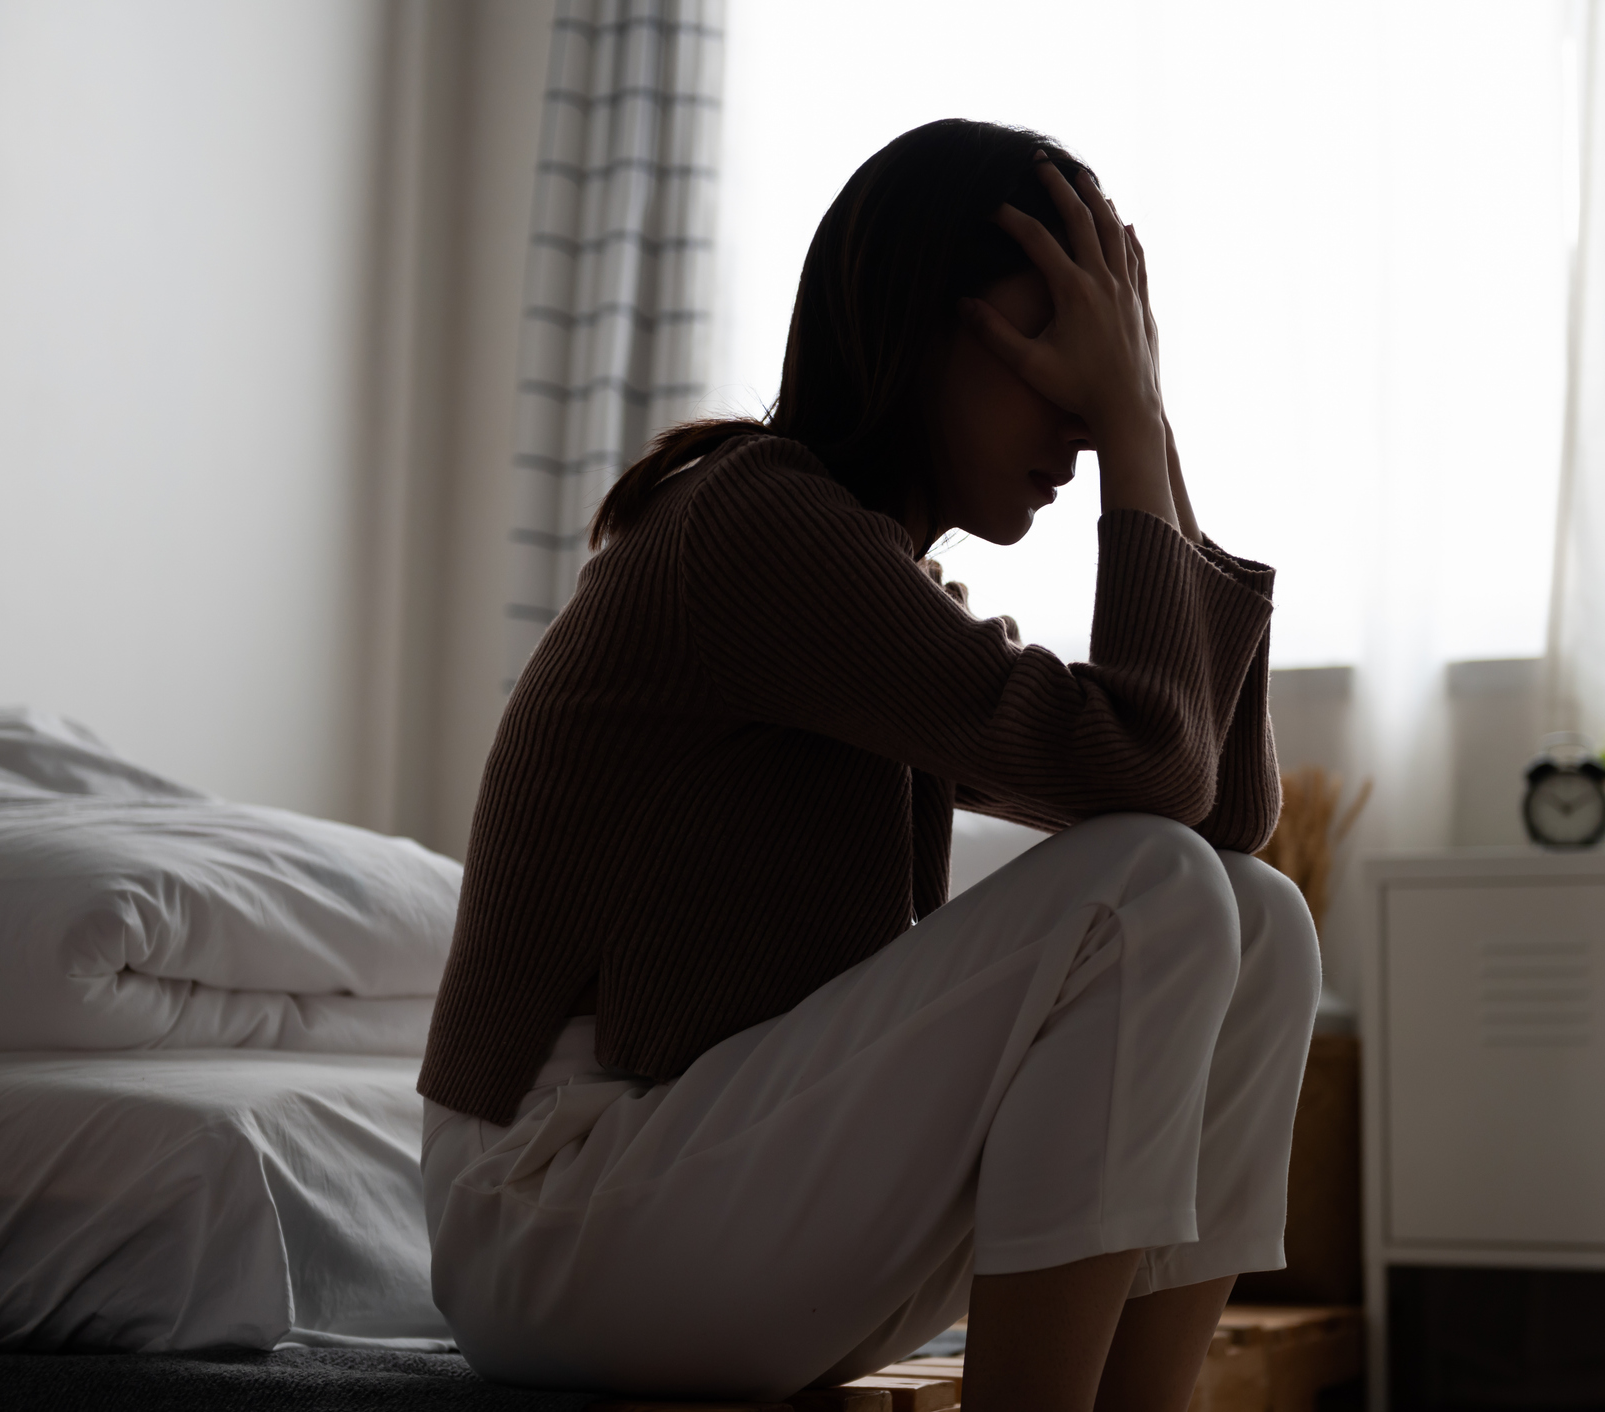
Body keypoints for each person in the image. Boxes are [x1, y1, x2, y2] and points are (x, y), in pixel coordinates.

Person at [417, 119, 1319, 1412]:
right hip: (558, 1194)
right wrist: (1129, 425)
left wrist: (1146, 415)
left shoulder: (881, 583)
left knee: (1258, 917)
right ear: (916, 331)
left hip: (685, 1185)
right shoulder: (758, 527)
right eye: (1044, 351)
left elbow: (1223, 807)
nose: (1072, 411)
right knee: (1150, 889)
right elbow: (1153, 782)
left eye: (1093, 367)